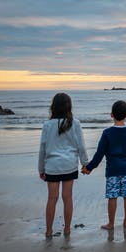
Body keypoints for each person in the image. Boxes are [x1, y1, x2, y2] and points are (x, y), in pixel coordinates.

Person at [81, 99, 126, 230]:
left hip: (112, 169)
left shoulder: (107, 133)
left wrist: (89, 167)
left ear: (111, 114)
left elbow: (99, 153)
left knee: (112, 196)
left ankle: (111, 223)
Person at [38, 92, 87, 238]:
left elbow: (43, 148)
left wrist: (41, 168)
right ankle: (67, 229)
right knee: (68, 198)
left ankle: (48, 230)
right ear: (68, 107)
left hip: (52, 166)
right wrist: (85, 164)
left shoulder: (47, 125)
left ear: (53, 107)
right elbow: (81, 146)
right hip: (69, 165)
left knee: (52, 199)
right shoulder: (75, 123)